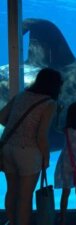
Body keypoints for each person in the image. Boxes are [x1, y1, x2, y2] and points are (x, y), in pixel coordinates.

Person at [0, 67, 63, 225]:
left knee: (12, 191)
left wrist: (20, 130)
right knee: (25, 197)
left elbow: (1, 118)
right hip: (28, 152)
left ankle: (12, 223)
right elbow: (41, 136)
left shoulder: (21, 95)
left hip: (7, 148)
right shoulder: (49, 104)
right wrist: (46, 158)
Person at [54, 102, 76, 225]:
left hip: (67, 165)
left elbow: (56, 126)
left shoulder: (67, 130)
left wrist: (58, 112)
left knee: (65, 192)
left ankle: (62, 218)